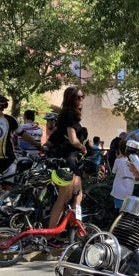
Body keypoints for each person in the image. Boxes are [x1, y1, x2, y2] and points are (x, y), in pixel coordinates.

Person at [44, 86, 87, 227]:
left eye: (82, 97)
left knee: (77, 196)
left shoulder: (65, 115)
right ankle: (51, 236)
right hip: (67, 160)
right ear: (70, 99)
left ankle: (76, 230)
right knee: (64, 198)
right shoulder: (69, 114)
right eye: (77, 97)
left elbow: (56, 134)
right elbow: (73, 140)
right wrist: (83, 147)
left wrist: (46, 146)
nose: (81, 100)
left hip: (69, 160)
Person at [110, 140, 135, 212]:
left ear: (120, 150)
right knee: (126, 209)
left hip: (119, 190)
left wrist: (117, 158)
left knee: (118, 211)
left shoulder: (118, 160)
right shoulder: (133, 162)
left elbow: (113, 171)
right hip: (129, 189)